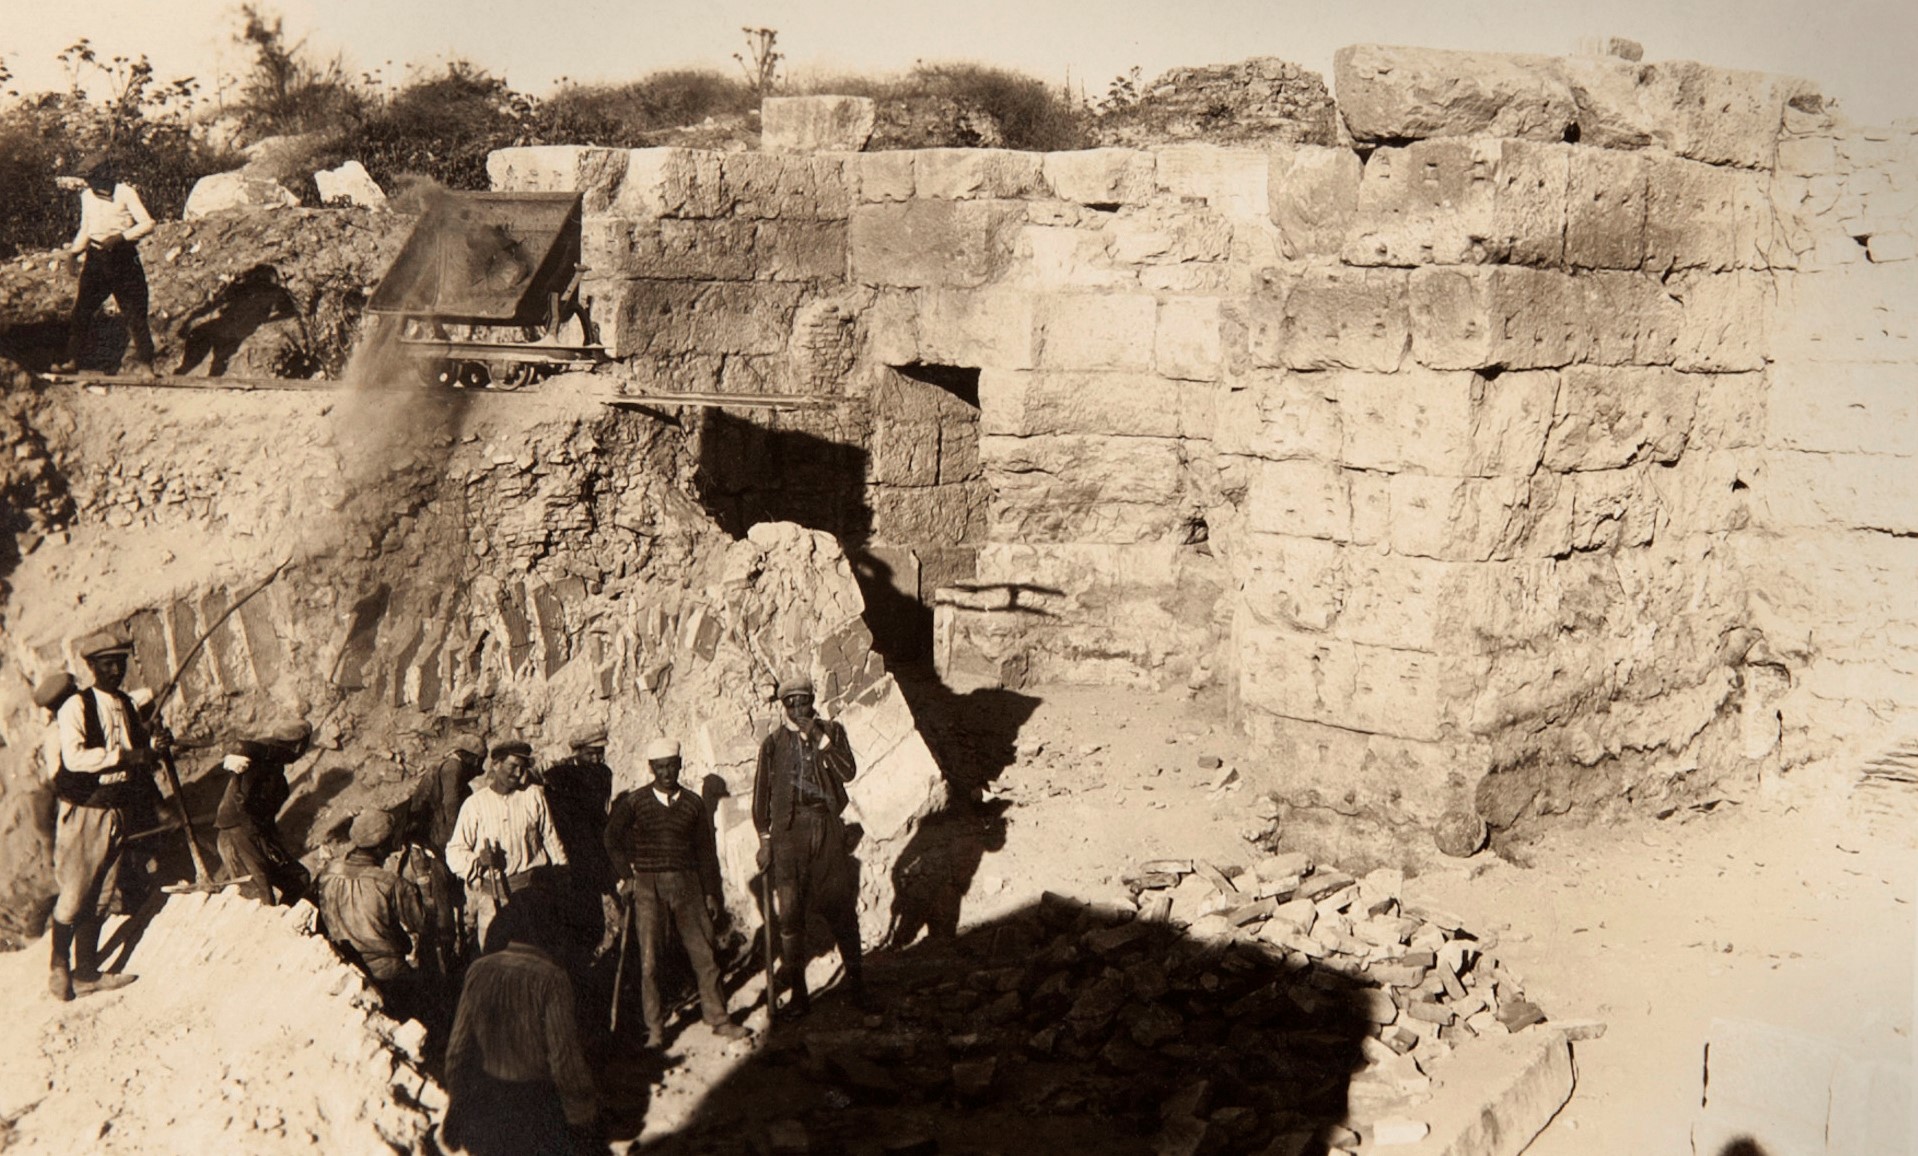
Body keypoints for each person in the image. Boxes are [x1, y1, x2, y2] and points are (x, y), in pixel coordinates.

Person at [605, 738, 750, 1048]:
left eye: (672, 765)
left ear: (680, 765)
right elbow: (611, 838)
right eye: (660, 767)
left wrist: (711, 893)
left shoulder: (693, 803)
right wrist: (626, 877)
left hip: (688, 884)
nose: (667, 772)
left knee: (704, 954)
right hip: (648, 886)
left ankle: (718, 1018)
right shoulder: (636, 802)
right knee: (649, 961)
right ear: (651, 769)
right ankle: (656, 1029)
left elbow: (705, 852)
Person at [51, 630, 170, 1001]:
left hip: (118, 809)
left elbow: (137, 750)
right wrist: (127, 756)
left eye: (121, 662)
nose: (116, 669)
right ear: (91, 667)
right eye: (107, 663)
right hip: (86, 811)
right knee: (74, 893)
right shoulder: (76, 707)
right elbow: (75, 759)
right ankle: (58, 965)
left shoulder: (126, 704)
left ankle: (85, 973)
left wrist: (152, 748)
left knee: (103, 894)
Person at [442, 894, 600, 1156]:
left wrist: (457, 1104)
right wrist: (582, 1118)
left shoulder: (479, 969)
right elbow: (564, 1059)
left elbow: (457, 1050)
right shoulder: (552, 978)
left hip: (487, 1105)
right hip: (534, 1107)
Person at [751, 676, 867, 1018]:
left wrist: (820, 739)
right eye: (790, 704)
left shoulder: (832, 731)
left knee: (841, 906)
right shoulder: (773, 744)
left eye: (803, 702)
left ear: (812, 701)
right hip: (788, 834)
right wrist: (764, 839)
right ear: (783, 707)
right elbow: (761, 798)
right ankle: (799, 995)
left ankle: (858, 985)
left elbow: (848, 772)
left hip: (826, 826)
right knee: (790, 914)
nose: (797, 709)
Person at [444, 740, 567, 952]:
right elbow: (454, 851)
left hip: (531, 896)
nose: (519, 773)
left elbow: (550, 837)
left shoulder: (533, 795)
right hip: (493, 899)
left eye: (523, 768)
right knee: (493, 955)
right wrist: (478, 861)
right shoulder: (475, 804)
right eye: (513, 766)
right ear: (496, 765)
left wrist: (562, 870)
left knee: (531, 954)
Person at [316, 808, 427, 1023]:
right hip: (387, 971)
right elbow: (422, 923)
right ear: (380, 846)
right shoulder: (389, 883)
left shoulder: (328, 873)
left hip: (345, 964)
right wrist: (423, 879)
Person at [53, 152, 157, 378]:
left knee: (134, 311)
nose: (90, 184)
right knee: (82, 310)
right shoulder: (87, 196)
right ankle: (72, 360)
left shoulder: (125, 193)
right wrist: (74, 252)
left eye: (93, 178)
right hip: (96, 258)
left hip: (123, 256)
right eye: (87, 180)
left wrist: (121, 237)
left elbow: (148, 223)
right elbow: (86, 227)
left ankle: (146, 363)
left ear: (105, 174)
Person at [543, 724, 615, 972]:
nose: (596, 758)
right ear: (577, 752)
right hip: (569, 851)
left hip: (593, 851)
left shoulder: (604, 774)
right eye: (590, 753)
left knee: (594, 911)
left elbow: (601, 813)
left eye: (599, 752)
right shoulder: (557, 777)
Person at [213, 723, 312, 904]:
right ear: (298, 746)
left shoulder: (274, 770)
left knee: (298, 879)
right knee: (260, 899)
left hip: (257, 835)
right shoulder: (258, 760)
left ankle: (286, 922)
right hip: (238, 835)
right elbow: (241, 746)